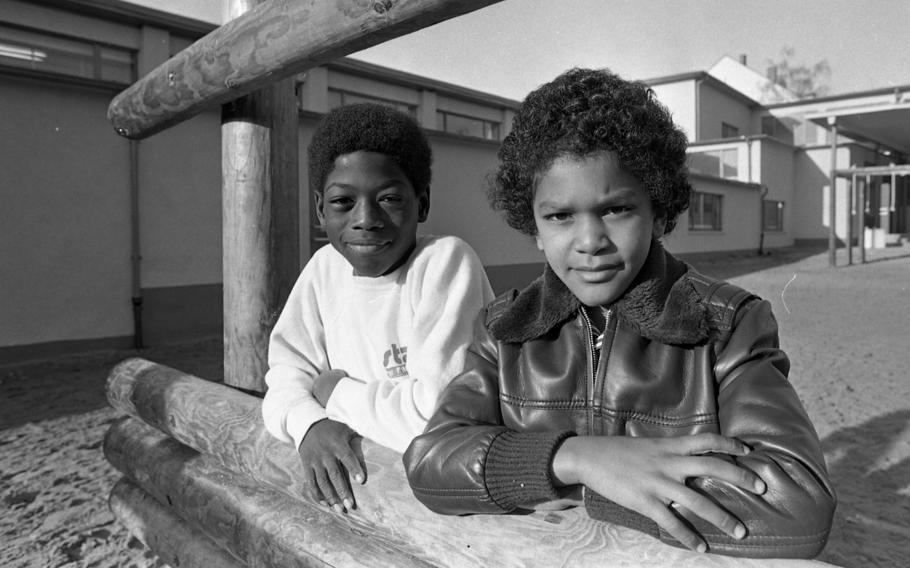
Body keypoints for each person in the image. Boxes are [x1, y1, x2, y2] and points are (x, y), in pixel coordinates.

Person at [403, 68, 836, 558]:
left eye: (616, 209)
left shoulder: (725, 326)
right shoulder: (505, 332)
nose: (590, 242)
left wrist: (597, 489)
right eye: (560, 216)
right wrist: (578, 459)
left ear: (657, 206)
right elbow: (430, 462)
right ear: (534, 226)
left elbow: (798, 503)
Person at [263, 103, 494, 515]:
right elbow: (285, 375)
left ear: (421, 204)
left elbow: (438, 420)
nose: (365, 219)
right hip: (365, 507)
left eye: (388, 198)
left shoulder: (444, 263)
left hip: (449, 507)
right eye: (343, 202)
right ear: (320, 209)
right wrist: (308, 423)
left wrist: (334, 392)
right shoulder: (324, 270)